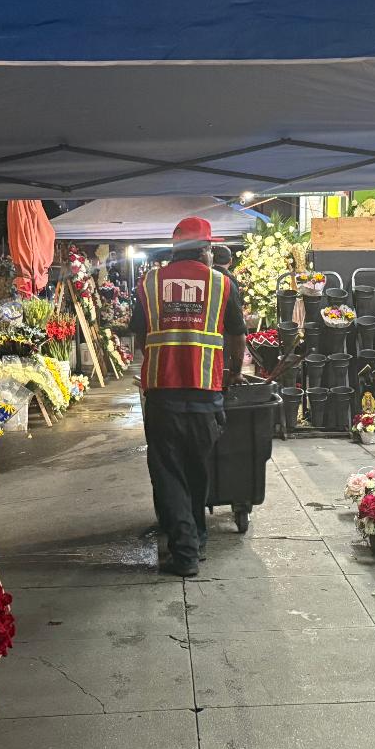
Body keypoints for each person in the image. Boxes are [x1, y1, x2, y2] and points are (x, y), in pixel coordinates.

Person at [130, 217, 247, 577]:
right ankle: (194, 542)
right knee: (197, 472)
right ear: (205, 250)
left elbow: (139, 337)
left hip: (162, 395)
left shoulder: (149, 283)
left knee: (168, 473)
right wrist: (234, 372)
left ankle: (186, 551)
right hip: (205, 395)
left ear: (175, 249)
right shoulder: (222, 283)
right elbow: (237, 335)